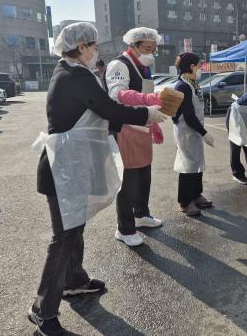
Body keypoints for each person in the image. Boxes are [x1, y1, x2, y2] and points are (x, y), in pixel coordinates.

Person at [31, 22, 166, 335]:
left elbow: (101, 113)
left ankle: (74, 281)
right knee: (64, 237)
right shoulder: (75, 75)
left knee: (74, 228)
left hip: (72, 164)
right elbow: (108, 108)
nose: (96, 51)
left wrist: (144, 118)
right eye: (93, 46)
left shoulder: (73, 72)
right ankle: (42, 310)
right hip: (63, 168)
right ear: (81, 47)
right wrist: (146, 114)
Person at [105, 27, 165, 247]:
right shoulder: (119, 65)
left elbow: (145, 98)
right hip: (125, 128)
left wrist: (153, 123)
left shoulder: (144, 67)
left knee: (143, 176)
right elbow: (117, 94)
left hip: (142, 127)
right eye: (147, 48)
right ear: (133, 46)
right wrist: (148, 99)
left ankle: (141, 214)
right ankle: (124, 228)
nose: (151, 53)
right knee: (128, 181)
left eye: (153, 49)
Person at [173, 52, 215, 216]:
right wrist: (204, 133)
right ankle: (184, 202)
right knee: (187, 166)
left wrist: (201, 131)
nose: (200, 69)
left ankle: (196, 194)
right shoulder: (182, 86)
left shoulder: (192, 83)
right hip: (186, 131)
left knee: (197, 163)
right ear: (191, 66)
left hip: (194, 129)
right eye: (198, 66)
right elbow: (188, 115)